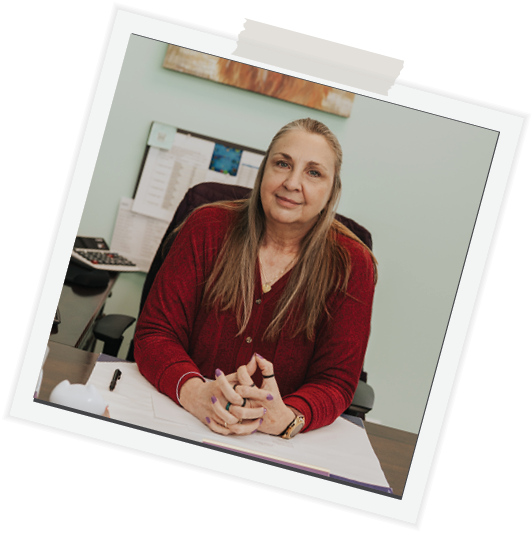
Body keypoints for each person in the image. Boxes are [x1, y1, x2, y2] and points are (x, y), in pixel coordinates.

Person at [134, 118, 378, 439]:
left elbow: (336, 380)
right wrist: (195, 393)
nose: (292, 183)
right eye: (282, 164)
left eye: (313, 172)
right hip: (182, 417)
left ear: (332, 190)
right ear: (263, 171)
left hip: (273, 443)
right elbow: (156, 333)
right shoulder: (206, 227)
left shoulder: (352, 264)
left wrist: (288, 417)